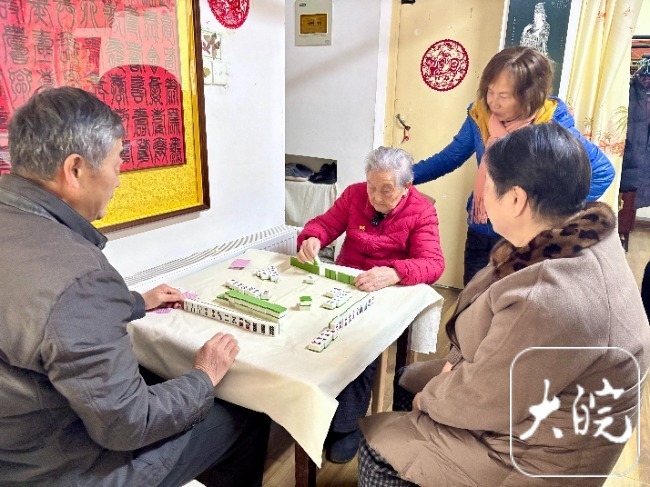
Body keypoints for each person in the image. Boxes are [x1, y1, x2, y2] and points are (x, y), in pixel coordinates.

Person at [0, 87, 270, 487]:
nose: (118, 180)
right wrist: (203, 375)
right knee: (244, 414)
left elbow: (40, 311)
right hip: (63, 468)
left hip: (16, 445)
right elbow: (129, 424)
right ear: (75, 170)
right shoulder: (80, 279)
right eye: (116, 164)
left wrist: (134, 301)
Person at [357, 123, 650, 486]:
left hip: (534, 455)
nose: (479, 193)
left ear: (515, 199)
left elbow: (484, 398)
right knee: (408, 379)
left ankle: (412, 459)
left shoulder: (546, 297)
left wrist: (430, 400)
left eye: (486, 183)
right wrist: (448, 373)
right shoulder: (580, 236)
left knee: (379, 445)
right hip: (539, 404)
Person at [412, 46, 614, 285]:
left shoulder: (551, 124)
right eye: (490, 91)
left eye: (504, 96)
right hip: (481, 225)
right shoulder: (480, 115)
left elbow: (603, 172)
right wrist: (404, 176)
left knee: (508, 301)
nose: (493, 102)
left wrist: (546, 211)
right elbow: (450, 157)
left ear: (530, 95)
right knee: (472, 295)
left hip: (522, 238)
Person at [296, 146, 445, 463]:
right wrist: (313, 237)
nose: (376, 197)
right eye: (371, 186)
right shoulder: (353, 195)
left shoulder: (421, 211)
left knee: (362, 345)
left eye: (386, 189)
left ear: (406, 186)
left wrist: (395, 272)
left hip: (388, 289)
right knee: (311, 330)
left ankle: (346, 426)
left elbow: (433, 264)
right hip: (348, 282)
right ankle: (312, 408)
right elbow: (325, 224)